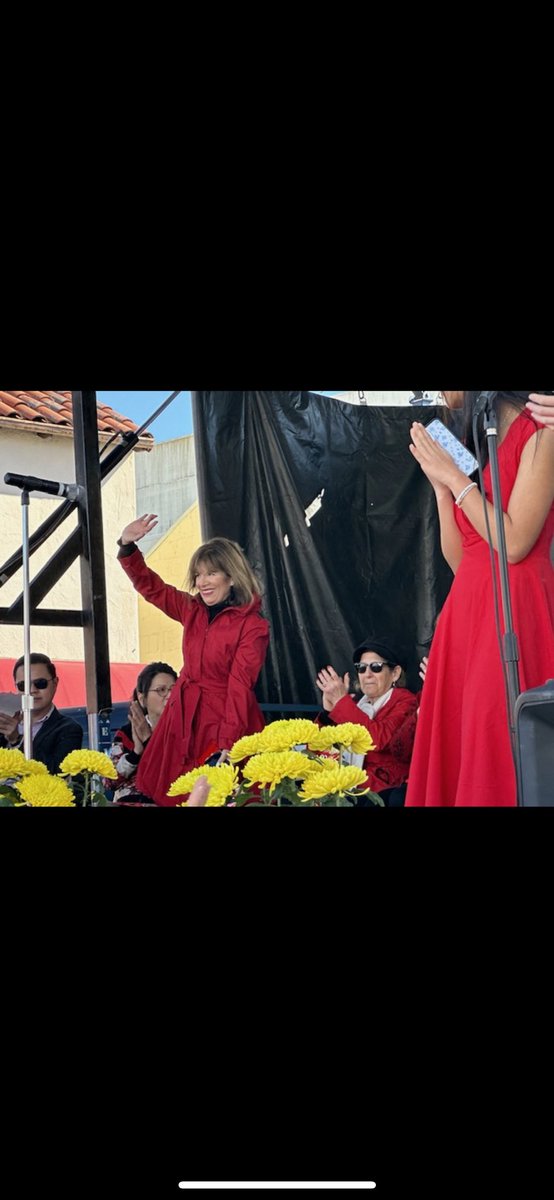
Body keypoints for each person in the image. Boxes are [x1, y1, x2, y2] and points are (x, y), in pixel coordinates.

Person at [406, 390, 554, 806]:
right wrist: (441, 488)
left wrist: (456, 479)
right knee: (466, 739)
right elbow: (461, 558)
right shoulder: (476, 442)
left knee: (500, 745)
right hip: (466, 616)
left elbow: (514, 544)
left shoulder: (542, 431)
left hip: (512, 612)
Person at [117, 516, 270, 806]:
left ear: (232, 577)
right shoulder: (192, 610)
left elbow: (240, 685)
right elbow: (154, 589)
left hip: (225, 718)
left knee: (218, 794)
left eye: (211, 573)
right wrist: (127, 547)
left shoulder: (253, 626)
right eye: (198, 575)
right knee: (173, 793)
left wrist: (229, 743)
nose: (202, 582)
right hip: (183, 715)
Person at [315, 637, 419, 803]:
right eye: (361, 668)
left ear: (395, 673)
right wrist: (328, 711)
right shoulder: (355, 703)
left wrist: (342, 703)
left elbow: (379, 739)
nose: (367, 674)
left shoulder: (406, 701)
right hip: (347, 787)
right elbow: (317, 748)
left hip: (382, 792)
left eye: (376, 667)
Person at [108, 661, 177, 805]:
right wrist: (136, 753)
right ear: (142, 698)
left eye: (173, 690)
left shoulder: (183, 732)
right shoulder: (127, 733)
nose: (169, 696)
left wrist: (148, 739)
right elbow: (109, 781)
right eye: (161, 690)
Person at [0, 652, 83, 773]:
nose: (32, 690)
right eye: (23, 685)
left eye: (40, 683)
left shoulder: (69, 729)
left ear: (55, 683)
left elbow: (56, 772)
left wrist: (17, 740)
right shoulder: (5, 722)